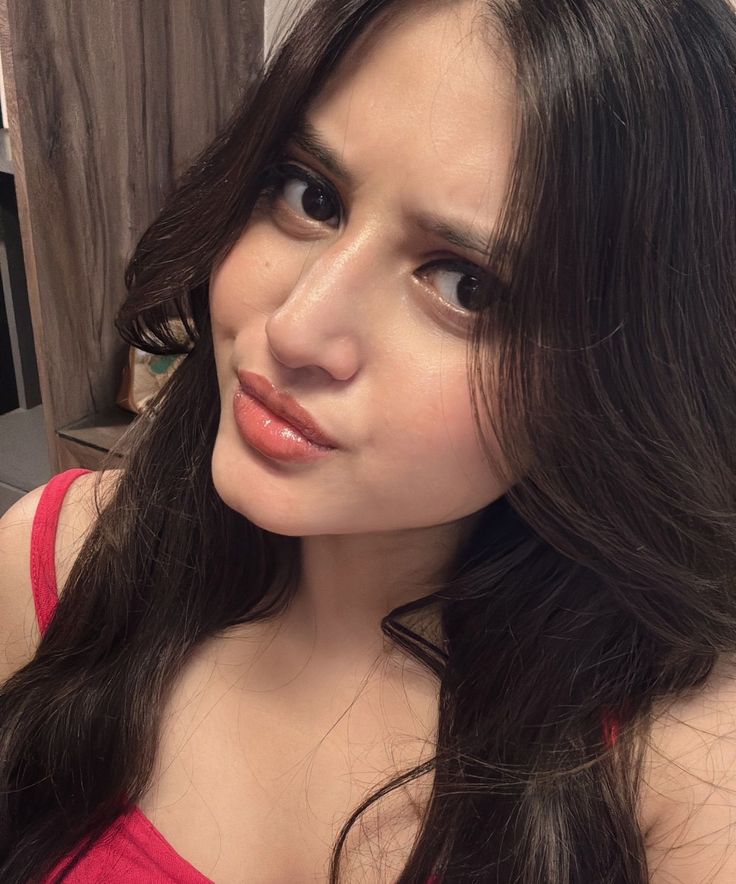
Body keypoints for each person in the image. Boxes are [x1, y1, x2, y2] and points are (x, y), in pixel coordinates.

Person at [1, 0, 735, 880]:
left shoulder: (682, 771)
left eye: (465, 286)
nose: (297, 328)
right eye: (310, 196)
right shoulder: (56, 563)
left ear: (629, 375)